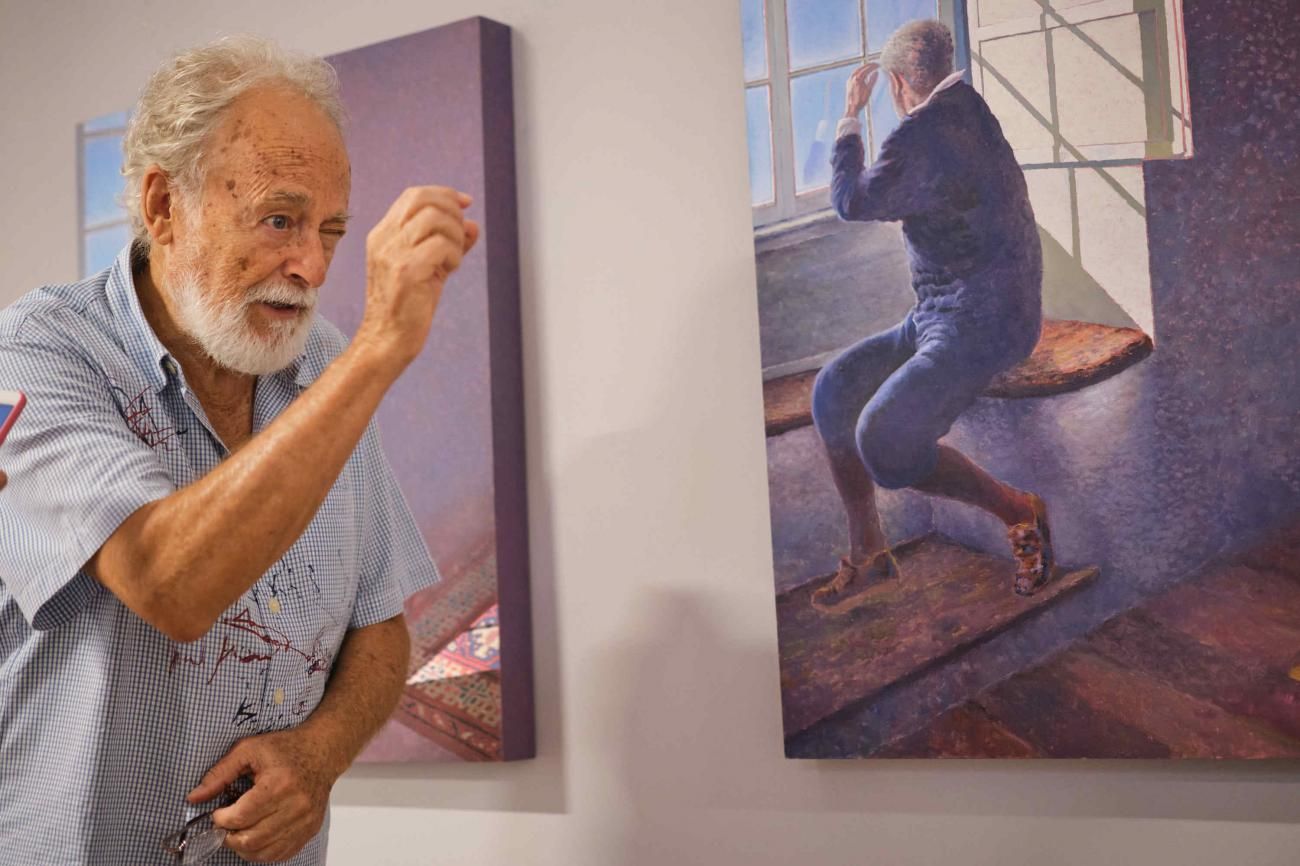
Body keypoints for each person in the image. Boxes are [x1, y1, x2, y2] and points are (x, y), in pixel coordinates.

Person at [0, 36, 478, 864]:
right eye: (280, 220)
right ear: (163, 207)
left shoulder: (321, 363)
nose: (312, 265)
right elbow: (170, 582)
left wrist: (319, 755)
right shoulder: (33, 355)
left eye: (330, 230)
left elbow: (382, 626)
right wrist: (380, 351)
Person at [809, 19, 1053, 614]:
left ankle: (1020, 513)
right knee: (833, 390)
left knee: (886, 442)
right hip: (946, 310)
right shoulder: (968, 109)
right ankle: (871, 553)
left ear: (895, 84)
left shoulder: (923, 134)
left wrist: (848, 118)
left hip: (985, 322)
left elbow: (851, 201)